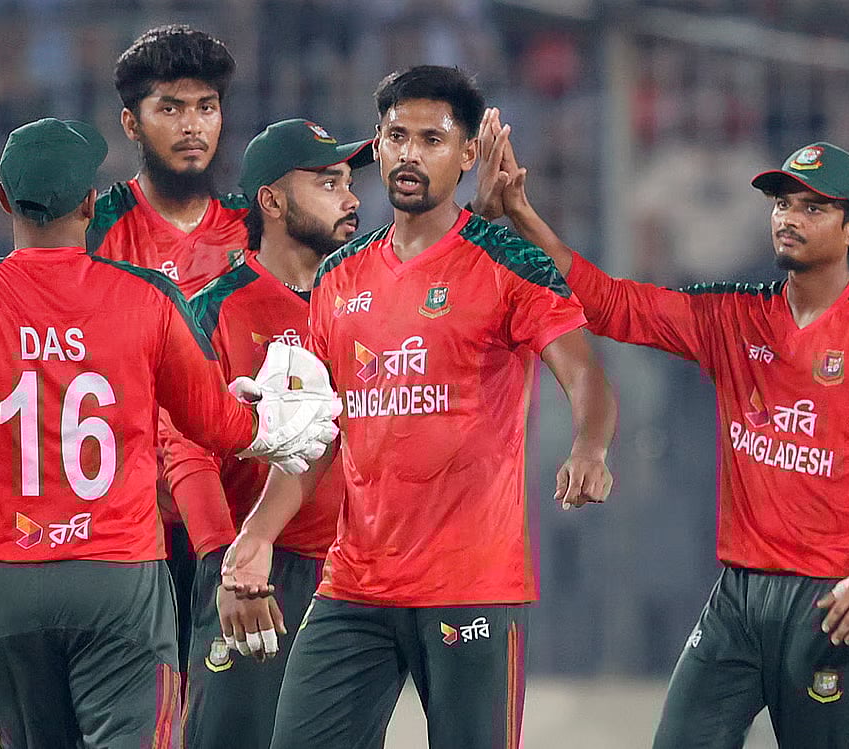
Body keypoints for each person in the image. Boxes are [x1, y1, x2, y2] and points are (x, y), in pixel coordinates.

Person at [477, 113, 849, 748]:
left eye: (813, 208)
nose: (789, 218)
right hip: (737, 599)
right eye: (783, 204)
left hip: (836, 601)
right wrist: (522, 213)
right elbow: (610, 303)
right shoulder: (733, 315)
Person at [0, 118, 339, 749]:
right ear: (91, 203)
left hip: (11, 580)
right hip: (121, 577)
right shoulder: (149, 298)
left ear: (4, 200)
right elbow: (210, 424)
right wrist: (269, 425)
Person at [223, 65, 619, 749]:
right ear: (377, 146)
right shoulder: (339, 277)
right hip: (355, 585)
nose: (410, 153)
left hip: (471, 584)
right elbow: (318, 433)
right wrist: (257, 534)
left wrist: (589, 445)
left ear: (467, 154)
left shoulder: (508, 262)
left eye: (431, 139)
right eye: (397, 136)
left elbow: (585, 373)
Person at [164, 118, 374, 749]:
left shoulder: (367, 302)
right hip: (258, 574)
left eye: (348, 182)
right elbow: (182, 448)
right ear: (272, 201)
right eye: (328, 182)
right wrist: (226, 565)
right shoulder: (214, 309)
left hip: (357, 578)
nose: (350, 198)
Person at [91, 24, 251, 672]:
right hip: (126, 528)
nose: (192, 125)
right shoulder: (95, 229)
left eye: (206, 107)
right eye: (171, 108)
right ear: (131, 123)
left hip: (236, 522)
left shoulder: (253, 227)